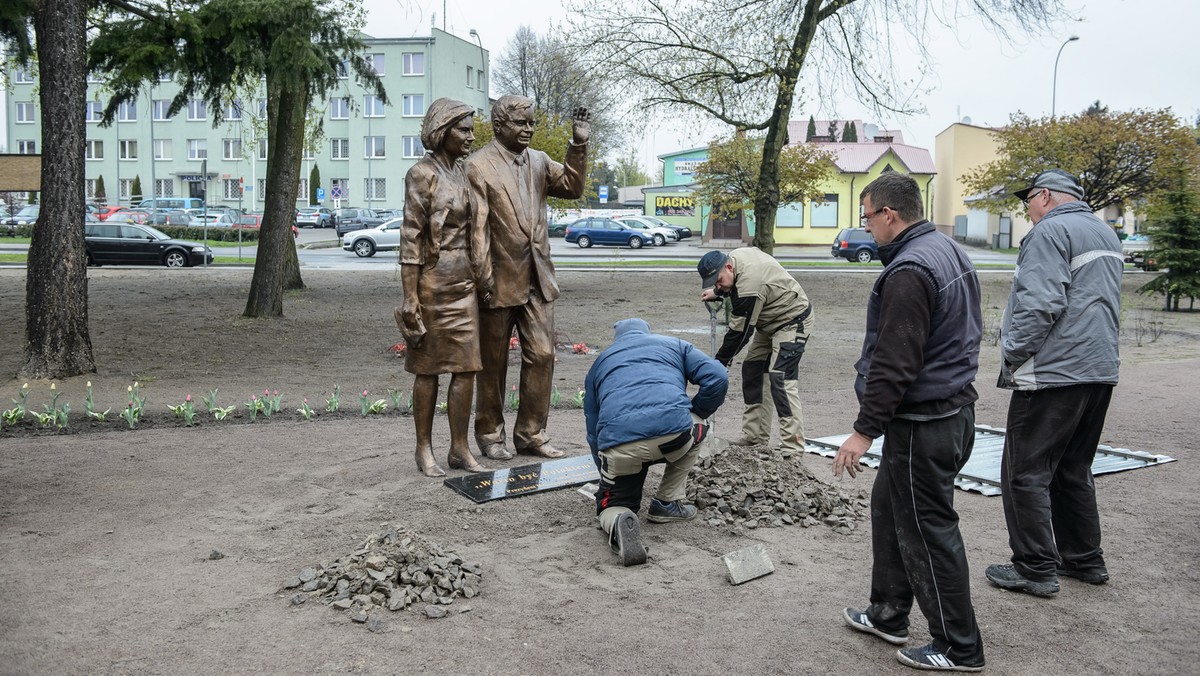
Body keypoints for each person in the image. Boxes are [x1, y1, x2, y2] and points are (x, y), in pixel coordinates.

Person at [833, 172, 985, 672]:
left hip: (926, 421)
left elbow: (895, 363)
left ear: (889, 215)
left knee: (927, 529)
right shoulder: (948, 249)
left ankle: (958, 647)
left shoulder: (910, 270)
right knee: (888, 509)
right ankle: (889, 612)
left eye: (867, 217)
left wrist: (863, 430)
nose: (866, 227)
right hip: (951, 410)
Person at [985, 169, 1123, 597]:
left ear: (1045, 196)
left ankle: (1034, 569)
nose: (1026, 209)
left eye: (1028, 200)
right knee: (1072, 467)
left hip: (1053, 373)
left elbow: (1040, 302)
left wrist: (1014, 353)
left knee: (1024, 472)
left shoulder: (1050, 232)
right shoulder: (1104, 233)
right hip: (1100, 370)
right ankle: (1084, 560)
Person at [466, 95, 589, 461]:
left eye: (532, 123)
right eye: (521, 123)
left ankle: (531, 434)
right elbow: (478, 230)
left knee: (543, 354)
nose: (529, 129)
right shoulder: (477, 166)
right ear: (499, 125)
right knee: (493, 363)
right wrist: (482, 278)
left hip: (537, 277)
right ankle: (490, 435)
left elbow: (571, 186)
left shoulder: (538, 161)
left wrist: (578, 144)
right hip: (498, 280)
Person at [584, 318, 728, 566]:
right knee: (699, 424)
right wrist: (697, 410)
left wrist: (606, 472)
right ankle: (667, 502)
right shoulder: (675, 345)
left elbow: (592, 427)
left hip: (619, 447)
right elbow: (718, 377)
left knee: (612, 506)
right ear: (647, 332)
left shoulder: (601, 362)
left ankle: (619, 523)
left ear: (617, 339)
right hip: (674, 436)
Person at [397, 97, 488, 478]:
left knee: (466, 369)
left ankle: (460, 448)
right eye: (463, 130)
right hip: (432, 284)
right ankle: (423, 447)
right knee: (429, 369)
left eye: (471, 129)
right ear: (442, 131)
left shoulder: (466, 173)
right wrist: (410, 296)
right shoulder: (422, 174)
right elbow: (410, 238)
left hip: (464, 283)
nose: (470, 137)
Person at [697, 247, 812, 453]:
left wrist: (718, 364)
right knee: (752, 369)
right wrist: (717, 292)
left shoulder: (749, 287)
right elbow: (731, 284)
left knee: (780, 378)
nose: (717, 284)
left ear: (729, 267)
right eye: (713, 282)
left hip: (792, 319)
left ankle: (792, 447)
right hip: (768, 320)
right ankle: (755, 437)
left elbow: (739, 334)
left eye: (718, 280)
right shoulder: (733, 260)